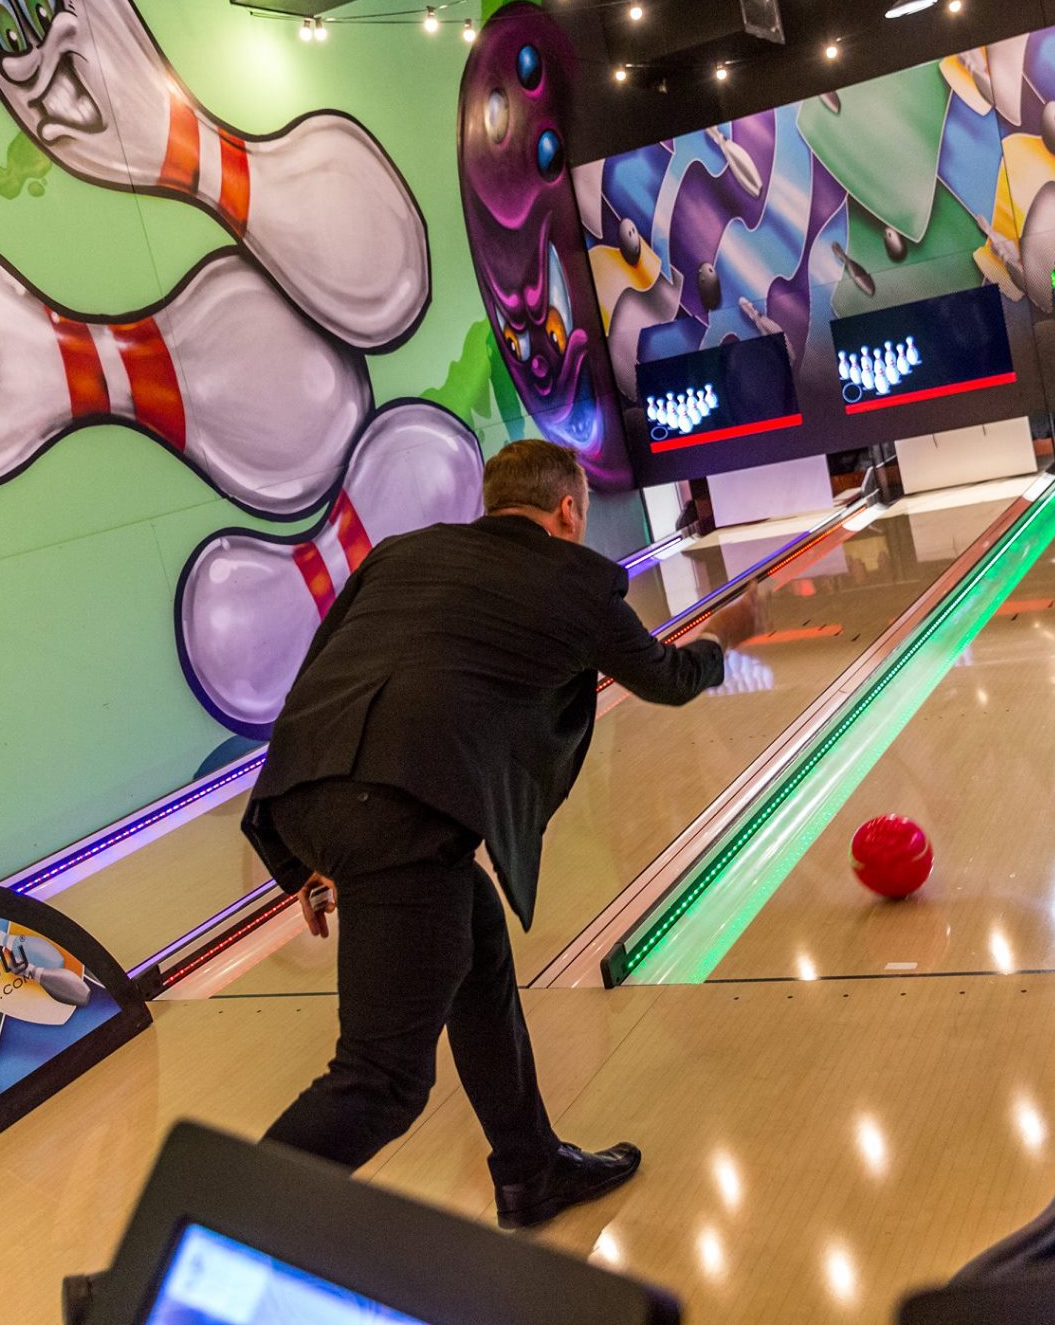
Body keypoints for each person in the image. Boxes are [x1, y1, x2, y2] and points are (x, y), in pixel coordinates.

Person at [242, 438, 755, 1229]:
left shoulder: (402, 556)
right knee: (381, 1080)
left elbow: (325, 674)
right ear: (569, 510)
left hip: (308, 794)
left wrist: (310, 854)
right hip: (398, 815)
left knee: (476, 941)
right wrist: (725, 636)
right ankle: (172, 1253)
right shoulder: (575, 582)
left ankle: (531, 1170)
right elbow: (668, 678)